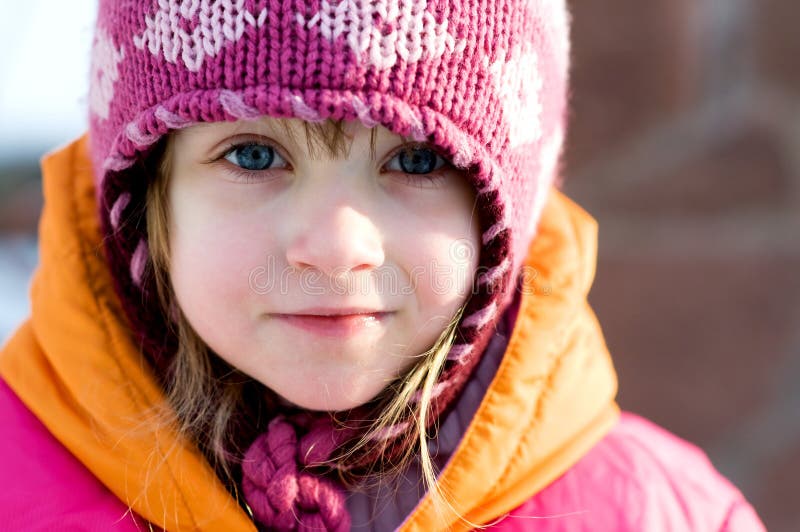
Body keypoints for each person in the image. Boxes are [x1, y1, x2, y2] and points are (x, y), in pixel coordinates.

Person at [0, 1, 766, 530]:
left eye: (416, 159)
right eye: (255, 154)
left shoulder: (662, 514)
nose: (337, 246)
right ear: (145, 197)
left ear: (503, 209)